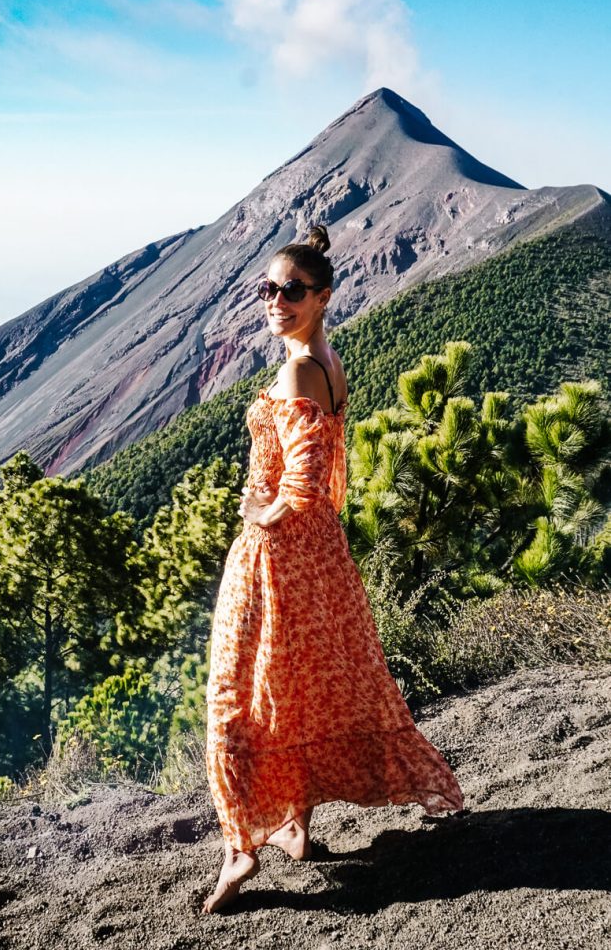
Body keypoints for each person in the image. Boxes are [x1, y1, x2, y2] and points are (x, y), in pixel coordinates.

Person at [201, 224, 464, 914]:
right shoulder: (324, 358)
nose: (274, 300)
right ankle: (294, 827)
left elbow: (304, 484)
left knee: (237, 700)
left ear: (321, 296)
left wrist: (259, 511)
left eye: (290, 291)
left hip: (278, 556)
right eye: (267, 288)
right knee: (297, 688)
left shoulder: (295, 371)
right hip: (319, 557)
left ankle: (239, 852)